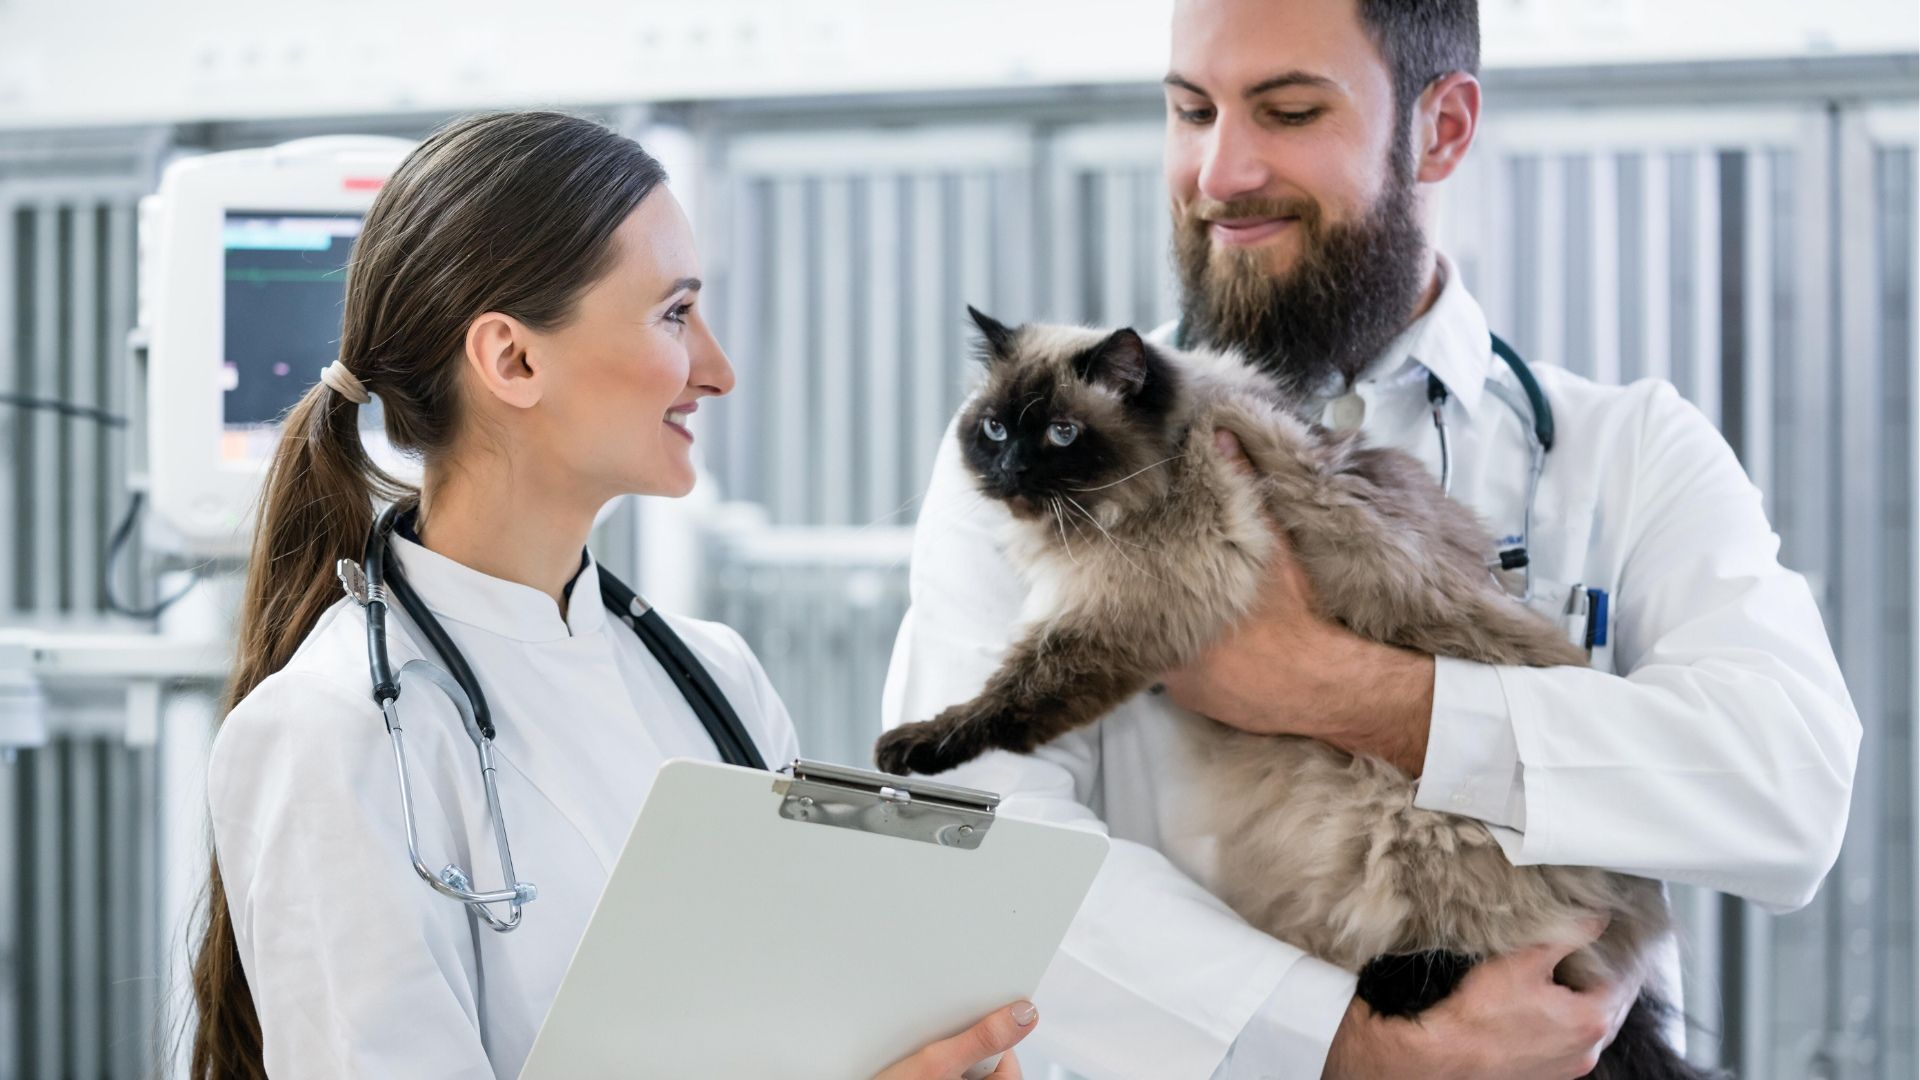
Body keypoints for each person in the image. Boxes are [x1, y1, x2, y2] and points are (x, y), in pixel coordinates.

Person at [880, 0, 1861, 1077]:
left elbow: (1788, 787)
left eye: (1289, 111)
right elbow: (973, 835)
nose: (1221, 172)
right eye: (1190, 111)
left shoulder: (1630, 451)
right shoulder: (1046, 454)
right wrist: (1343, 1044)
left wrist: (1347, 691)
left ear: (1441, 130)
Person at [187, 111, 1036, 1080]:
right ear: (513, 359)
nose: (716, 371)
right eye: (675, 314)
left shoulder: (716, 682)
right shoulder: (331, 734)